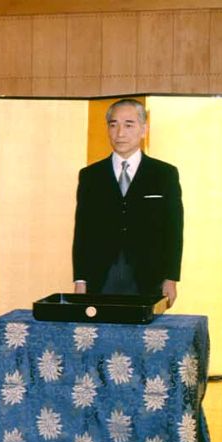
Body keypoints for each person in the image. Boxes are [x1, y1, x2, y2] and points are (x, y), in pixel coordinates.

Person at [72, 98, 184, 306]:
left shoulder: (164, 174)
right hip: (101, 276)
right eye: (113, 125)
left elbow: (174, 230)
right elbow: (82, 231)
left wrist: (171, 277)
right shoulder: (91, 176)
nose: (120, 133)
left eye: (129, 125)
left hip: (149, 276)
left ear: (144, 129)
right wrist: (80, 279)